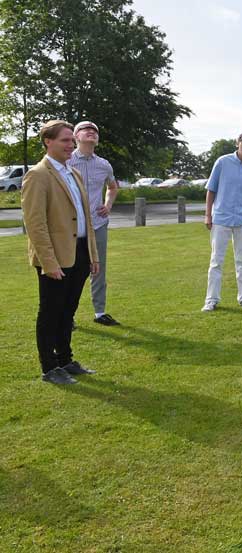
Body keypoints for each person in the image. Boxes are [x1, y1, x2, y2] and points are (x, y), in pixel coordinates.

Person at [22, 120, 99, 385]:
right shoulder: (38, 175)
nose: (71, 145)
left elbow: (85, 219)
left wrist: (92, 255)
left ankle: (65, 359)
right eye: (65, 140)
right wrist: (48, 262)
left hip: (78, 252)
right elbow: (35, 224)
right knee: (51, 312)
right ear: (48, 142)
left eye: (71, 140)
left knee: (68, 311)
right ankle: (49, 367)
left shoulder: (72, 173)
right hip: (54, 256)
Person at [201, 130, 242, 312]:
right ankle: (211, 299)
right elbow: (211, 190)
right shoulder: (222, 162)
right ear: (237, 143)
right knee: (216, 261)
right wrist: (208, 214)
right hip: (221, 218)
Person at [67, 120, 121, 326]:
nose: (91, 132)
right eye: (85, 129)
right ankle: (67, 316)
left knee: (98, 269)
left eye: (94, 131)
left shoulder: (104, 164)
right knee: (71, 269)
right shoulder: (66, 161)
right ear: (75, 136)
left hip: (98, 224)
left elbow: (113, 187)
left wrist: (107, 205)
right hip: (72, 227)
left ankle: (100, 313)